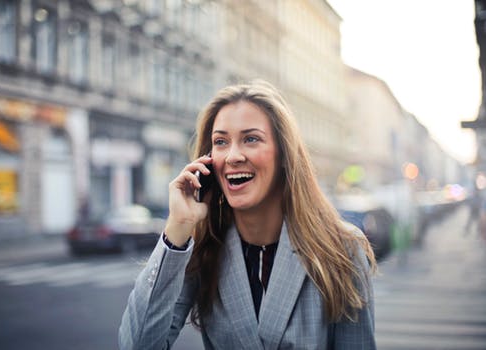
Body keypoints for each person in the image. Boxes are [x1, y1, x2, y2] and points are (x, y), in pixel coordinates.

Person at [118, 80, 377, 349]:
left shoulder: (341, 248)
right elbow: (137, 345)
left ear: (284, 154)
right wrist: (178, 228)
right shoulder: (204, 249)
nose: (232, 156)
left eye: (251, 139)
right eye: (220, 142)